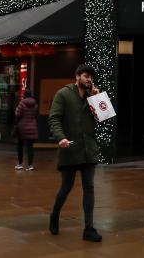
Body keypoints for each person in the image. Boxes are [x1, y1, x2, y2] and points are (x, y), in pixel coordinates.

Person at [48, 64, 103, 243]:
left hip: (89, 149)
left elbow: (104, 117)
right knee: (67, 187)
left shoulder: (92, 96)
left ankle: (89, 228)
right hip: (70, 149)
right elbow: (54, 118)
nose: (89, 79)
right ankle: (55, 214)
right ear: (77, 76)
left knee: (89, 188)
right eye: (86, 76)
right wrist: (60, 137)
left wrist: (98, 99)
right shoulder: (63, 94)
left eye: (91, 77)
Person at [15, 89, 39, 171]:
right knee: (30, 147)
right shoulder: (35, 104)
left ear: (24, 95)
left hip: (22, 127)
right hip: (32, 127)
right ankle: (30, 165)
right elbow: (36, 115)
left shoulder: (22, 103)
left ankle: (20, 164)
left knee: (20, 146)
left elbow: (18, 115)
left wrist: (16, 111)